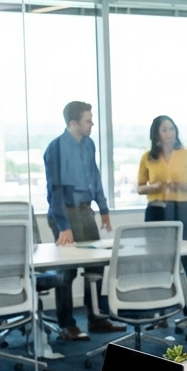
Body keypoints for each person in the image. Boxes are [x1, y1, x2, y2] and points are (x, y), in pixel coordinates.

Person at [43, 100, 124, 341]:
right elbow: (54, 190)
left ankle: (96, 317)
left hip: (86, 211)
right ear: (73, 123)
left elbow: (95, 178)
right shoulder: (56, 148)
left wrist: (104, 208)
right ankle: (67, 325)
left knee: (96, 264)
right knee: (66, 271)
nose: (92, 124)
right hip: (64, 213)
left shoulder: (89, 144)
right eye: (88, 120)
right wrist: (63, 226)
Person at [137, 115, 187, 251]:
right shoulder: (147, 157)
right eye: (164, 130)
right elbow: (140, 188)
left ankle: (183, 272)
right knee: (156, 253)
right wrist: (154, 187)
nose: (169, 133)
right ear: (156, 133)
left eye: (172, 129)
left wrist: (181, 186)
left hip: (181, 208)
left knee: (183, 253)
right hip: (156, 209)